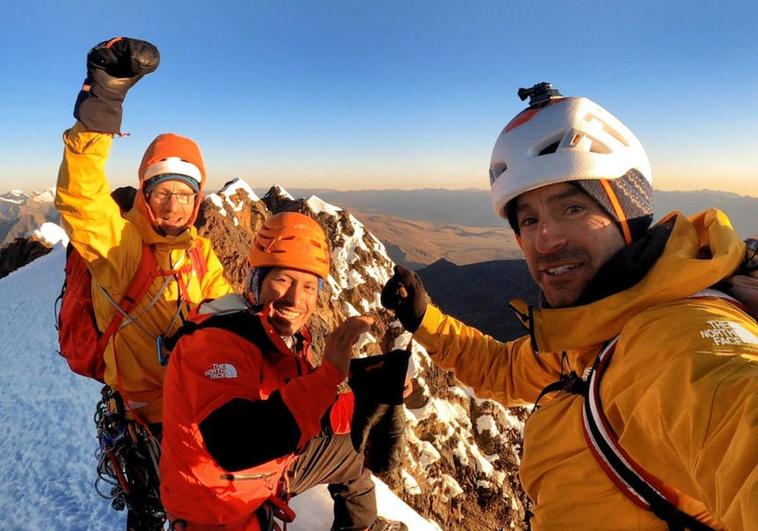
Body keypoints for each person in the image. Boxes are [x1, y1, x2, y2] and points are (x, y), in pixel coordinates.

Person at [381, 84, 758, 530]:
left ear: (628, 214)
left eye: (574, 207)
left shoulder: (676, 340)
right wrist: (426, 320)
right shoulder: (586, 333)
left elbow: (732, 414)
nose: (547, 239)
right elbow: (503, 370)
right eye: (530, 219)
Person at [56, 37, 232, 529]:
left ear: (197, 201)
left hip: (194, 410)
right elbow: (82, 200)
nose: (174, 205)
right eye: (162, 192)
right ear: (145, 195)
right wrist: (103, 103)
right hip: (143, 421)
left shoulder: (200, 252)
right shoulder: (121, 248)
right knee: (152, 514)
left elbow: (230, 313)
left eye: (184, 193)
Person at [160, 211, 407, 531]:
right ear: (255, 280)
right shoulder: (215, 341)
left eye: (308, 286)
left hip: (261, 477)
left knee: (351, 454)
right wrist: (329, 373)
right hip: (217, 506)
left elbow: (301, 409)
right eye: (283, 280)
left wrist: (367, 400)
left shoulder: (280, 337)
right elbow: (235, 443)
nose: (295, 298)